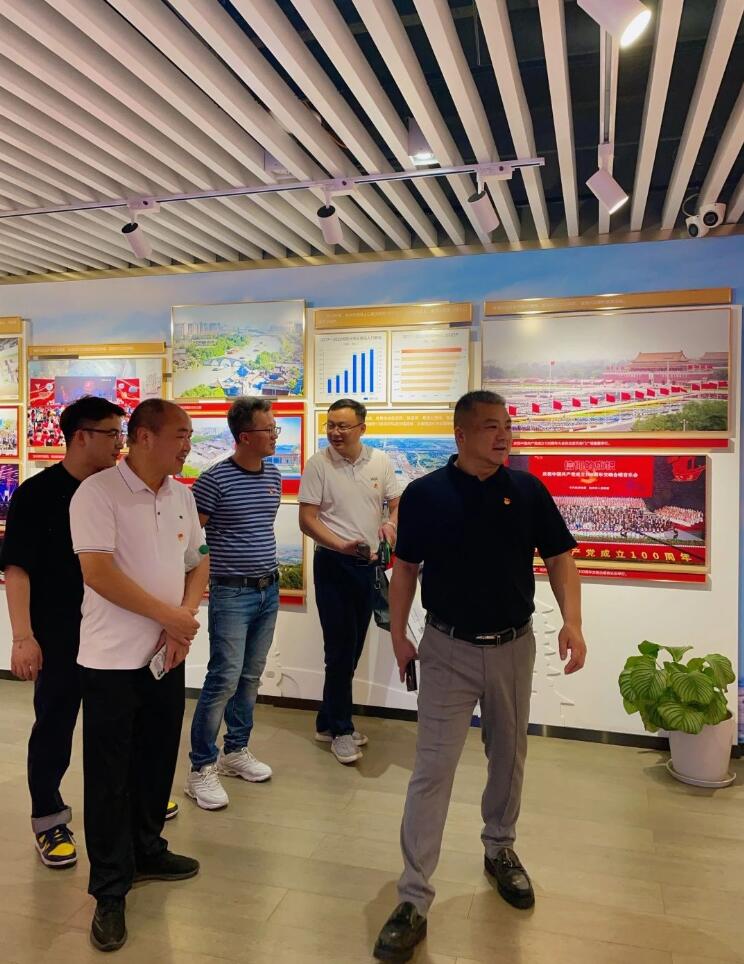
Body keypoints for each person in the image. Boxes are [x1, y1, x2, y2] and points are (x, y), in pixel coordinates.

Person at [374, 390, 587, 962]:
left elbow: (560, 557)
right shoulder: (425, 495)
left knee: (508, 757)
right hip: (446, 649)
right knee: (432, 770)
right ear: (461, 434)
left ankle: (499, 850)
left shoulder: (527, 490)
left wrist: (573, 621)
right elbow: (405, 569)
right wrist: (399, 635)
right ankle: (413, 897)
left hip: (514, 647)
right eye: (491, 426)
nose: (504, 435)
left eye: (507, 425)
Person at [69, 399, 209, 953]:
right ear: (144, 436)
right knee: (109, 777)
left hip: (165, 657)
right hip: (110, 661)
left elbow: (198, 560)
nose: (188, 445)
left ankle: (147, 849)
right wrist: (169, 617)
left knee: (156, 761)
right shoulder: (97, 493)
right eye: (180, 435)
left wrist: (183, 620)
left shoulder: (182, 495)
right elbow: (98, 573)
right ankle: (109, 888)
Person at [1, 396, 125, 869]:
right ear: (81, 436)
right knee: (54, 727)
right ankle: (49, 819)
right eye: (111, 434)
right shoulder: (37, 494)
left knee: (117, 723)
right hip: (57, 635)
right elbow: (18, 569)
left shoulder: (116, 490)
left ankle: (125, 799)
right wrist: (22, 637)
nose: (119, 444)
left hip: (111, 632)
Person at [185, 396, 281, 810]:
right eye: (268, 430)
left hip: (268, 589)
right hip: (231, 592)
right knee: (223, 678)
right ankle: (201, 767)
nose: (275, 436)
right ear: (244, 436)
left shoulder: (273, 474)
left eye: (275, 429)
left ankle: (235, 750)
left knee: (251, 676)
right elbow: (192, 541)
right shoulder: (214, 481)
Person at [298, 398, 399, 765]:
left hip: (369, 566)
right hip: (334, 564)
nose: (335, 432)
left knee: (352, 648)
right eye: (330, 425)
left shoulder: (380, 461)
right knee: (339, 651)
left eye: (343, 426)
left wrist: (391, 524)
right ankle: (341, 730)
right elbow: (307, 519)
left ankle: (327, 722)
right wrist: (341, 544)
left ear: (362, 428)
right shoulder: (318, 464)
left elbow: (396, 502)